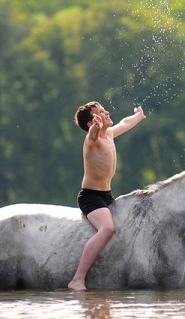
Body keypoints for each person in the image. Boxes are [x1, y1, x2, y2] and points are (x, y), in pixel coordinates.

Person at [68, 101, 146, 291]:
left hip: (107, 195)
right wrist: (95, 127)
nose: (107, 112)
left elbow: (125, 123)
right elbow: (93, 133)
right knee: (107, 229)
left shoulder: (110, 134)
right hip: (90, 197)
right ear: (91, 123)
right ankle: (77, 279)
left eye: (104, 110)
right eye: (101, 112)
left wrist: (138, 115)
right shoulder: (92, 139)